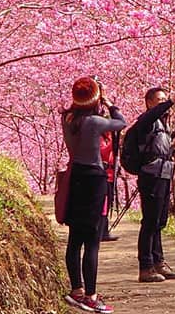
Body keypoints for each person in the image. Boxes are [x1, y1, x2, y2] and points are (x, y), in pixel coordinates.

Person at [61, 76, 126, 313]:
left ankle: (76, 290)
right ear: (96, 97)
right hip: (94, 179)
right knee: (92, 242)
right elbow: (121, 122)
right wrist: (109, 103)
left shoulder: (67, 118)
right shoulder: (96, 122)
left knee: (74, 239)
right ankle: (91, 296)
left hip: (74, 175)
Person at [129, 86, 175, 282]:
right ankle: (145, 267)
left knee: (160, 221)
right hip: (151, 176)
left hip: (163, 175)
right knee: (150, 221)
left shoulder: (162, 125)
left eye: (165, 100)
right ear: (150, 103)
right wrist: (170, 101)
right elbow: (149, 119)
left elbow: (160, 151)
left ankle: (158, 262)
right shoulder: (146, 122)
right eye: (159, 100)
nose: (164, 104)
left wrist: (174, 147)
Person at [99, 130, 120, 242]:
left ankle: (104, 230)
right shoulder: (100, 138)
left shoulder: (109, 138)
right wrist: (113, 144)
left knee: (108, 204)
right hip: (104, 176)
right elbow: (103, 153)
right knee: (104, 206)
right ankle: (102, 231)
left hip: (111, 176)